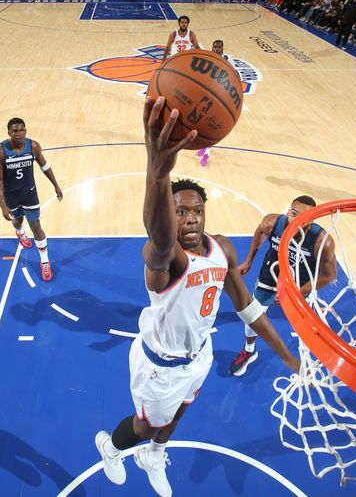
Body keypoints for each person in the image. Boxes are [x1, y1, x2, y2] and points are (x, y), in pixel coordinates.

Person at [94, 96, 300, 497]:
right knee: (144, 425)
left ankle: (154, 455)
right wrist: (158, 173)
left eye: (196, 211)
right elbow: (157, 232)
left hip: (199, 355)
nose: (190, 218)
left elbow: (248, 307)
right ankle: (111, 447)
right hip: (158, 366)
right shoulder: (165, 258)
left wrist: (286, 353)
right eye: (180, 211)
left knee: (178, 415)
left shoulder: (222, 248)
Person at [229, 195, 337, 376]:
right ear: (288, 211)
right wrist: (248, 260)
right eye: (293, 213)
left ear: (312, 219)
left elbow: (329, 275)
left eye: (304, 217)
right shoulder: (272, 223)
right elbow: (260, 232)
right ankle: (249, 350)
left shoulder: (322, 242)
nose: (297, 220)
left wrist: (295, 292)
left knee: (303, 325)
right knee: (252, 315)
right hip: (270, 275)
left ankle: (306, 355)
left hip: (301, 284)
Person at [0, 117, 62, 281]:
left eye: (21, 130)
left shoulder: (33, 146)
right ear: (9, 132)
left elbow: (44, 166)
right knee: (17, 220)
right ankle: (20, 232)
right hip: (11, 195)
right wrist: (2, 205)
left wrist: (56, 185)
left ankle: (44, 261)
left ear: (25, 131)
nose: (19, 134)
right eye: (15, 131)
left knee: (36, 226)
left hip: (29, 193)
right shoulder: (0, 151)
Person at [196, 39, 234, 167]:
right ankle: (205, 146)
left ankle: (207, 154)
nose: (216, 49)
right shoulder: (209, 57)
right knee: (201, 121)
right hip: (207, 93)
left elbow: (235, 77)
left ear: (222, 48)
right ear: (212, 47)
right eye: (215, 47)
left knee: (211, 124)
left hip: (220, 96)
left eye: (219, 47)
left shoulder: (228, 60)